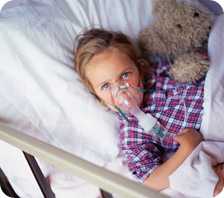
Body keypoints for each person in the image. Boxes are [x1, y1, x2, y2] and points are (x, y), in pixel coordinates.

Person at [74, 28, 224, 196]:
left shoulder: (161, 72)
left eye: (124, 75)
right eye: (106, 86)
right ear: (99, 98)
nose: (120, 89)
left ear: (140, 68)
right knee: (193, 180)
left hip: (216, 96)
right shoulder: (132, 135)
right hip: (211, 135)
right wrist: (187, 147)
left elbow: (198, 63)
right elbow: (151, 181)